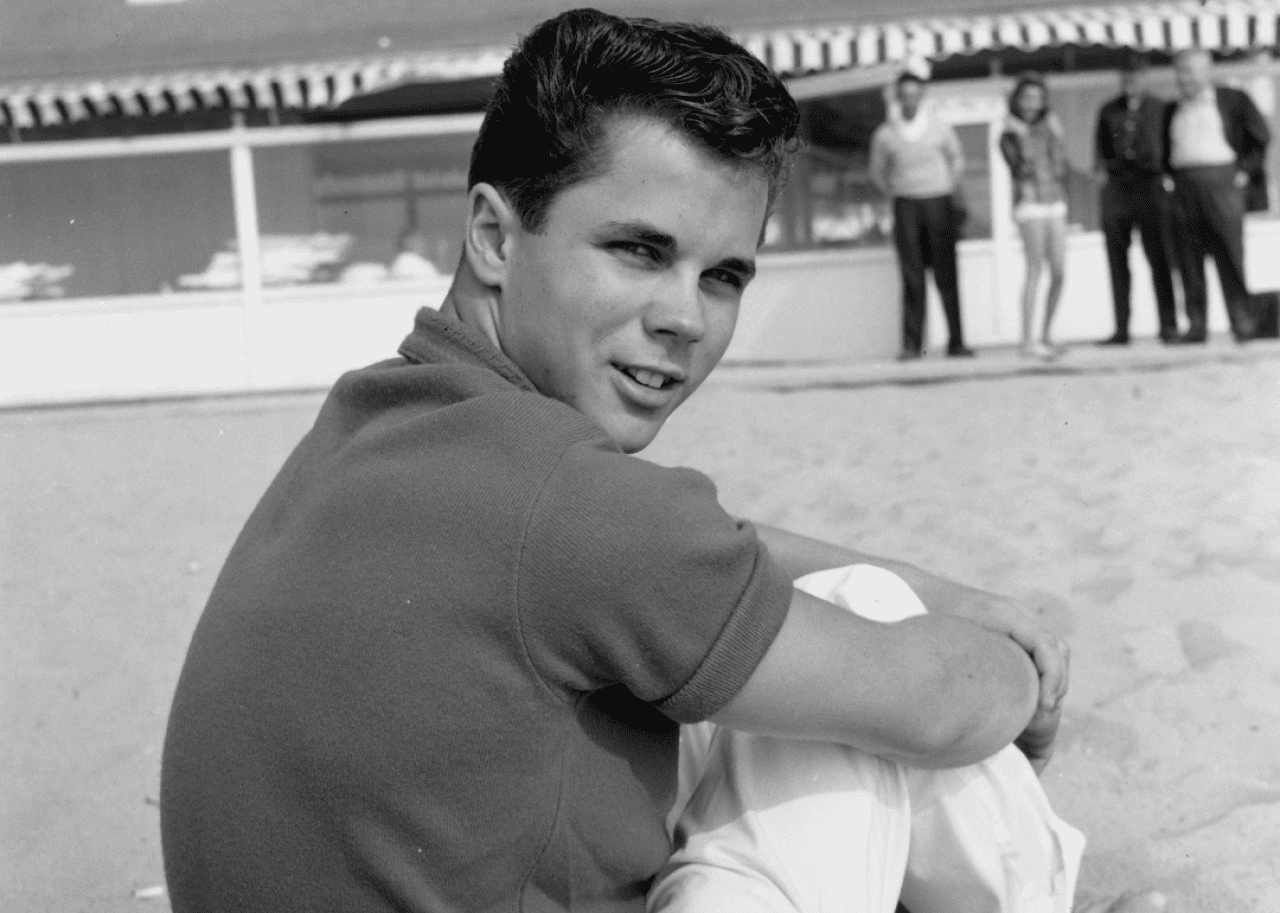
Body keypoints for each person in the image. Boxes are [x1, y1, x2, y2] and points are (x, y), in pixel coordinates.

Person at [160, 10, 1157, 913]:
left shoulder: (382, 423)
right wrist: (1027, 671)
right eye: (638, 250)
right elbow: (936, 705)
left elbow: (705, 557)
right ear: (494, 236)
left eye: (721, 276)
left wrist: (954, 596)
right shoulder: (569, 501)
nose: (683, 316)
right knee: (864, 654)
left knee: (815, 636)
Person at [1162, 48, 1271, 344]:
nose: (1184, 78)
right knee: (1189, 258)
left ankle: (1242, 322)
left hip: (1222, 182)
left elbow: (1261, 136)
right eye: (1180, 72)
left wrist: (1244, 171)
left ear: (1207, 71)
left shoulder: (1232, 99)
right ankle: (1196, 326)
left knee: (1230, 254)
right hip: (1184, 184)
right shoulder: (1172, 108)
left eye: (1190, 71)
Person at [870, 72, 974, 360]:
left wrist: (946, 184)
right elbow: (877, 172)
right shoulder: (885, 134)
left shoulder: (939, 128)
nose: (910, 101)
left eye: (915, 95)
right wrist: (897, 190)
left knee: (946, 274)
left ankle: (957, 343)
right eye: (905, 95)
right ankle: (911, 346)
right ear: (898, 98)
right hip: (906, 206)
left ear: (922, 96)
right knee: (912, 276)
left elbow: (957, 159)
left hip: (939, 203)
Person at [1093, 58, 1179, 345]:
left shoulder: (1162, 108)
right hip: (1119, 189)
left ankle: (1168, 326)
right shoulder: (1108, 110)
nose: (1132, 79)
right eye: (1127, 74)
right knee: (1117, 260)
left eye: (1137, 74)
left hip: (1151, 187)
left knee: (1160, 257)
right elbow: (1100, 152)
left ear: (1146, 76)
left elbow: (1169, 147)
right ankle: (1121, 329)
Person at [1000, 73, 1070, 360]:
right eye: (1026, 97)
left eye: (1037, 98)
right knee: (1035, 269)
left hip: (1054, 200)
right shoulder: (1008, 133)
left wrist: (1056, 134)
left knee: (1059, 271)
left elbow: (1061, 164)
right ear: (1017, 100)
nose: (1032, 103)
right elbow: (1021, 168)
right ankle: (1027, 339)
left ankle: (1046, 334)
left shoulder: (1050, 127)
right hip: (1029, 203)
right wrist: (1024, 134)